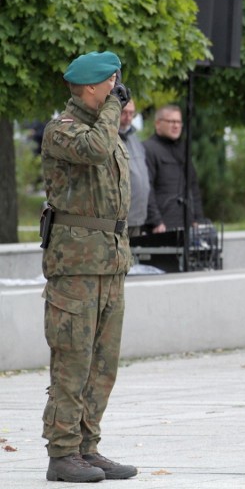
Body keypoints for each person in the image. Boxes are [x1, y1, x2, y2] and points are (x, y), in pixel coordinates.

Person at [40, 51, 137, 482]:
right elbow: (96, 150)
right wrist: (116, 105)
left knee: (103, 363)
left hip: (110, 262)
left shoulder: (106, 129)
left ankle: (86, 447)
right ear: (93, 86)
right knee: (72, 362)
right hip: (75, 265)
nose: (116, 91)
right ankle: (61, 454)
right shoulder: (63, 130)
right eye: (111, 85)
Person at [144, 105, 205, 233]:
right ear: (158, 124)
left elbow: (193, 186)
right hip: (162, 227)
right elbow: (146, 188)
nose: (176, 126)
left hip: (186, 224)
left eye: (179, 122)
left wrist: (198, 219)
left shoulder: (183, 150)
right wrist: (156, 221)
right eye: (171, 121)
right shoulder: (148, 149)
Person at [118, 98, 151, 236]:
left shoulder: (135, 139)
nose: (128, 117)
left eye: (132, 113)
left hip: (137, 218)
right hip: (118, 220)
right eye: (124, 112)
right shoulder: (107, 138)